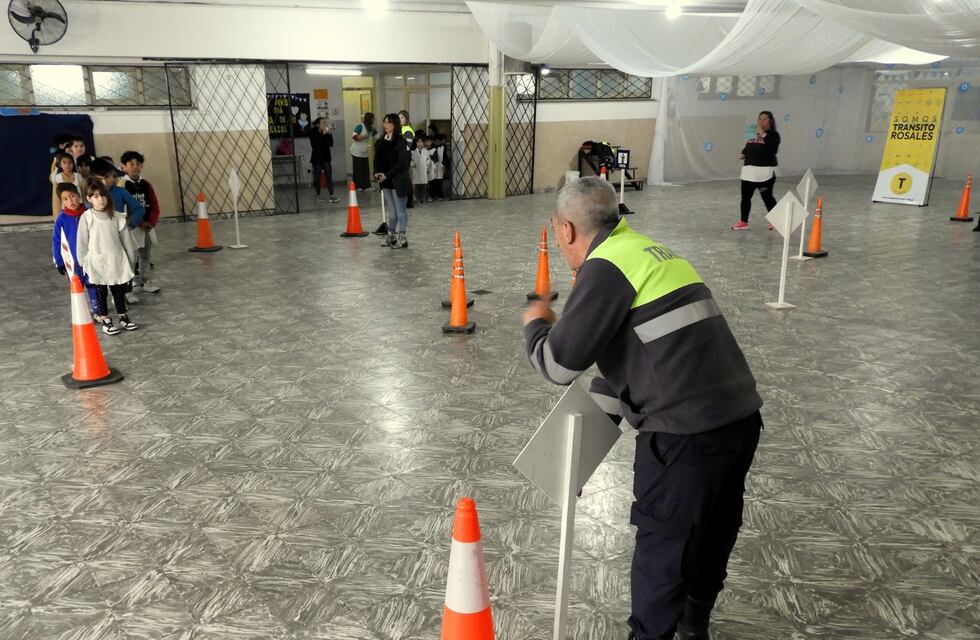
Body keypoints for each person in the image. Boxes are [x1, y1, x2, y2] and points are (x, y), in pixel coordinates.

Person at [522, 177, 763, 640]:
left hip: (683, 433)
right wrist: (590, 422)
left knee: (664, 548)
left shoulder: (606, 266)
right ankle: (695, 626)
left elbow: (556, 365)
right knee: (713, 528)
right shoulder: (650, 251)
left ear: (567, 229)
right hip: (739, 417)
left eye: (557, 236)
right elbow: (643, 349)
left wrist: (535, 324)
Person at [77, 180, 139, 335]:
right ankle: (105, 319)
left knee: (118, 290)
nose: (100, 199)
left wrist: (131, 260)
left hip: (116, 260)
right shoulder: (87, 217)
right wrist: (83, 261)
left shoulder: (117, 217)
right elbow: (82, 241)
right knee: (101, 291)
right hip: (97, 262)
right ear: (89, 199)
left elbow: (126, 241)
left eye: (103, 195)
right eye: (96, 196)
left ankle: (123, 317)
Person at [89, 159, 145, 303]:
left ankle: (127, 290)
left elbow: (139, 208)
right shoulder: (91, 195)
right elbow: (87, 215)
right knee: (108, 263)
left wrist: (130, 224)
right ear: (96, 177)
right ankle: (114, 293)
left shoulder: (120, 191)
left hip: (121, 233)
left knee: (130, 259)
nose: (111, 180)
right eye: (106, 176)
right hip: (102, 237)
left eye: (112, 176)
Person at [120, 150, 162, 294]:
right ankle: (130, 285)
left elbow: (155, 205)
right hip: (131, 227)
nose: (135, 167)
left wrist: (151, 222)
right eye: (131, 164)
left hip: (147, 227)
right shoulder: (123, 185)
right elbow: (126, 209)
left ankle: (144, 282)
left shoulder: (146, 184)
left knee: (145, 255)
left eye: (138, 164)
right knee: (131, 257)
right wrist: (139, 222)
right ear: (124, 167)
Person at [732, 110, 780, 230]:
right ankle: (743, 222)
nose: (761, 121)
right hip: (749, 174)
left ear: (770, 121)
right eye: (759, 119)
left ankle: (777, 221)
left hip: (764, 174)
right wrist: (743, 152)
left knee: (767, 197)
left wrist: (763, 134)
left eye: (764, 119)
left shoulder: (773, 135)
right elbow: (749, 146)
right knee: (745, 198)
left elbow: (773, 149)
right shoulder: (754, 135)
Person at [374, 113, 412, 249]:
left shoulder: (401, 141)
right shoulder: (380, 141)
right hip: (386, 181)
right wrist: (376, 173)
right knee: (392, 211)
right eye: (384, 122)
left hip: (398, 180)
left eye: (389, 123)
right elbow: (376, 160)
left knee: (400, 210)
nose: (386, 125)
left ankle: (402, 237)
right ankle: (391, 236)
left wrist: (387, 174)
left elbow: (401, 163)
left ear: (394, 125)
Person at [310, 118, 339, 204]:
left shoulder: (326, 132)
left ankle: (332, 195)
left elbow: (330, 144)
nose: (324, 125)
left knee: (329, 176)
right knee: (318, 177)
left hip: (326, 157)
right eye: (322, 123)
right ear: (318, 125)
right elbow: (316, 145)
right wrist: (323, 135)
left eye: (325, 123)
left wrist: (329, 135)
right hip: (317, 158)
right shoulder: (313, 132)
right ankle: (318, 195)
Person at [350, 112, 376, 191]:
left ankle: (367, 186)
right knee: (358, 169)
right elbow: (354, 136)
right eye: (373, 119)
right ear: (369, 119)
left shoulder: (370, 128)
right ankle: (358, 186)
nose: (374, 120)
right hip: (357, 151)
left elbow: (377, 135)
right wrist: (362, 136)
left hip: (364, 151)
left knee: (365, 169)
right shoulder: (360, 126)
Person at [50, 152, 81, 216]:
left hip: (79, 204)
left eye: (70, 162)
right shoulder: (57, 178)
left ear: (73, 164)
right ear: (60, 164)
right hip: (65, 207)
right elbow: (56, 197)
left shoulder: (78, 176)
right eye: (64, 162)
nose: (67, 165)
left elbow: (83, 192)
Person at [410, 136, 431, 205]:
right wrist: (412, 164)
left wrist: (427, 166)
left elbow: (428, 159)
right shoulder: (413, 152)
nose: (419, 144)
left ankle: (423, 198)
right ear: (415, 143)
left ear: (423, 143)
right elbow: (410, 160)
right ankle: (417, 198)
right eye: (418, 142)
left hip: (424, 169)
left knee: (424, 184)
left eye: (421, 142)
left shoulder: (425, 151)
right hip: (416, 170)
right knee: (416, 185)